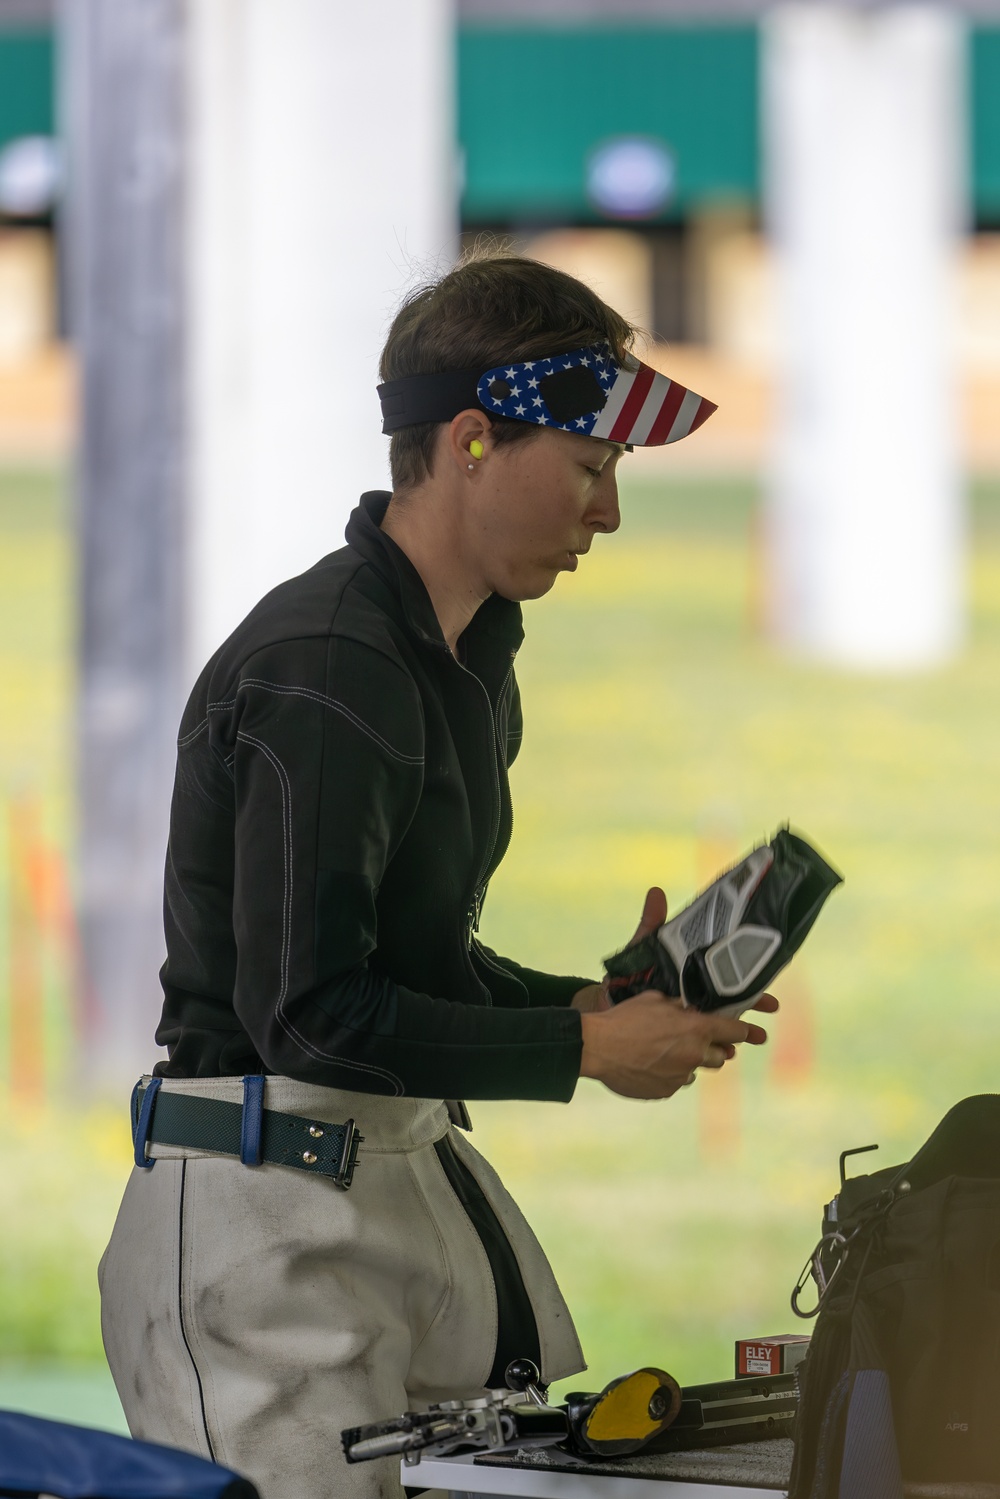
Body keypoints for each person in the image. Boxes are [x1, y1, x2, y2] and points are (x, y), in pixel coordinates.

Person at [99, 253, 776, 1499]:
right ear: (470, 440)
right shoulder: (329, 663)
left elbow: (412, 965)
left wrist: (582, 1007)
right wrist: (580, 1056)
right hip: (264, 1226)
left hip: (366, 1199)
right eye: (589, 465)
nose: (609, 511)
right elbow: (308, 1013)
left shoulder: (462, 652)